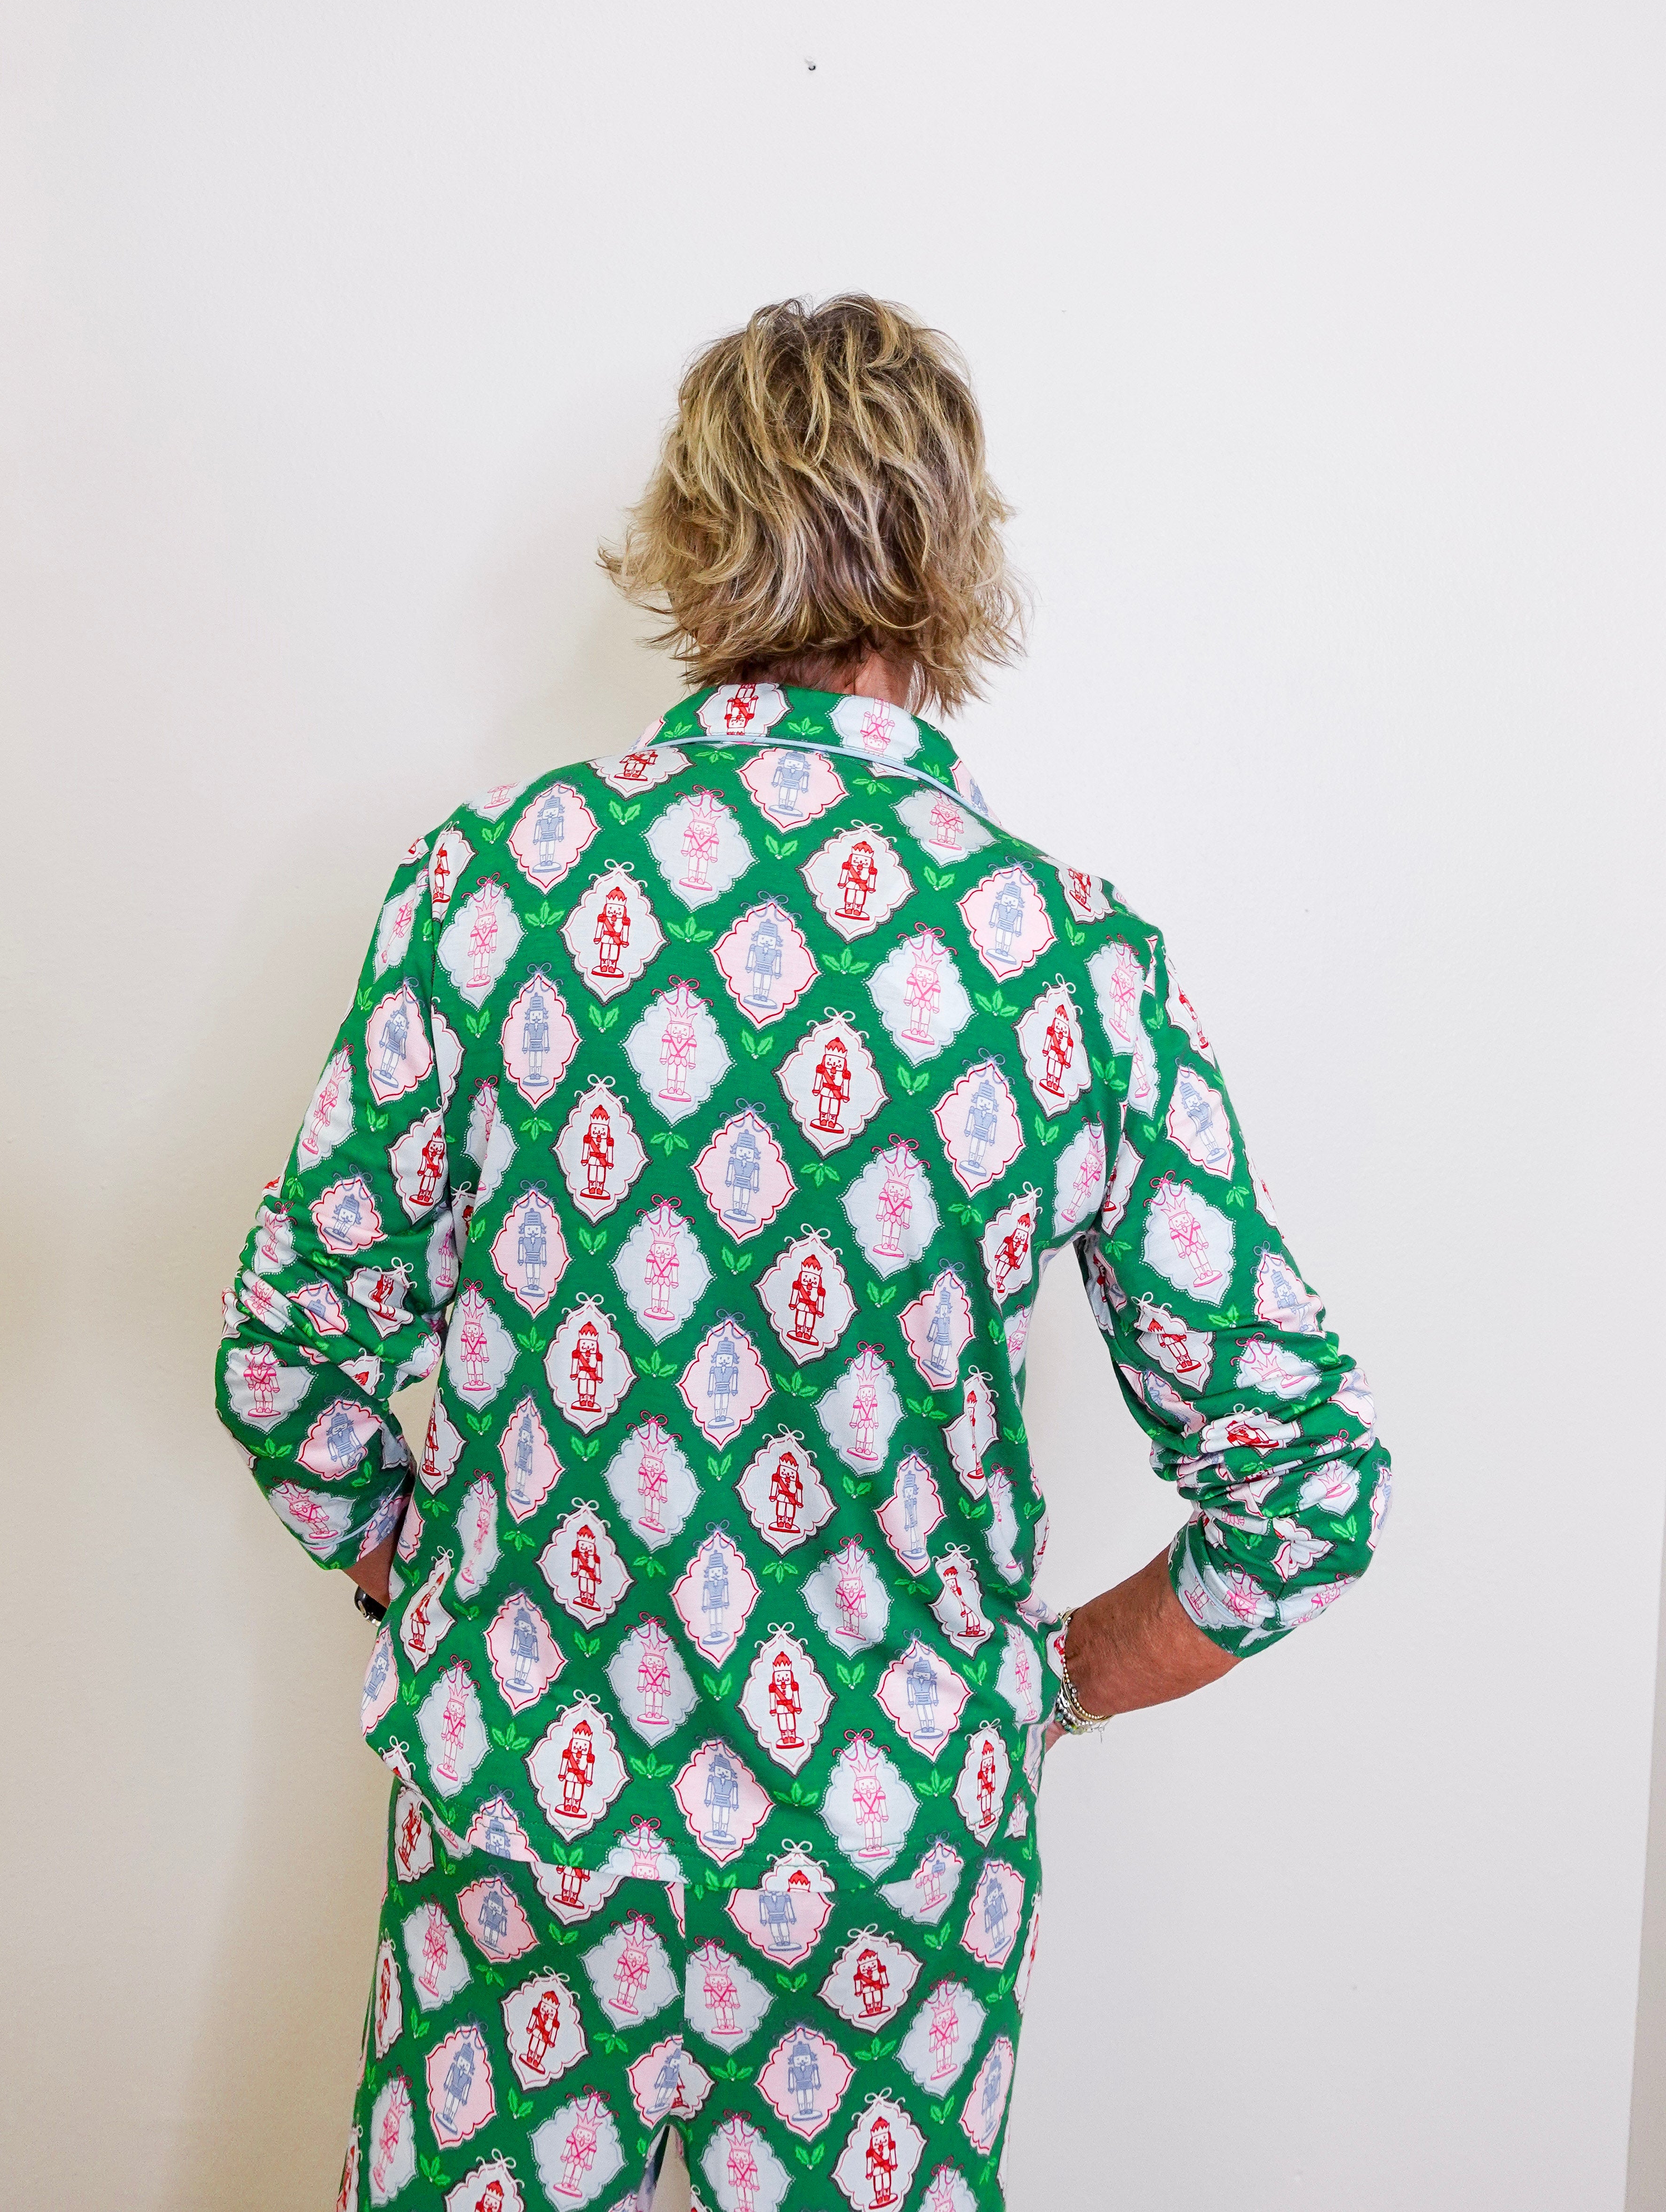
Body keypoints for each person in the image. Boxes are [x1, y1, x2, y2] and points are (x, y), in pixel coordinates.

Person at [215, 295, 1390, 2211]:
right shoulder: (1065, 961)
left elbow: (289, 1362)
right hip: (894, 1868)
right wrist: (1046, 1690)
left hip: (524, 1830)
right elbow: (1306, 1488)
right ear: (950, 560)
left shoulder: (483, 894)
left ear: (695, 536)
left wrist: (436, 1585)